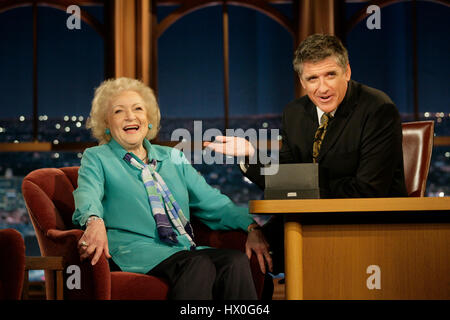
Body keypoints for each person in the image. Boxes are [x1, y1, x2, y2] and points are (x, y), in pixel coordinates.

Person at [204, 34, 408, 274]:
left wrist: (306, 187)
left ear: (347, 72)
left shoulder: (377, 109)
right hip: (306, 219)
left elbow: (368, 192)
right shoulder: (295, 113)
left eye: (330, 75)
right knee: (241, 256)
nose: (322, 88)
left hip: (364, 224)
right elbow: (287, 182)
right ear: (302, 81)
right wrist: (250, 156)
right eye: (312, 78)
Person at [72, 77, 272, 300]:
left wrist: (252, 228)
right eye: (119, 111)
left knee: (235, 261)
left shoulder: (173, 157)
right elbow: (86, 193)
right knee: (199, 264)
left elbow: (213, 203)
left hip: (179, 248)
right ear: (107, 124)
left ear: (148, 119)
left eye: (138, 108)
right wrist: (93, 220)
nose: (130, 116)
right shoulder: (98, 158)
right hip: (133, 251)